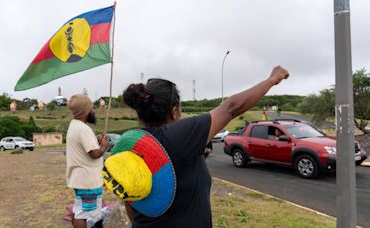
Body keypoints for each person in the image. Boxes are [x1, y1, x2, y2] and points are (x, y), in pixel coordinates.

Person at [118, 66, 289, 227]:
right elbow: (231, 108)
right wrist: (272, 79)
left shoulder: (128, 144)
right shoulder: (177, 137)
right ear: (174, 111)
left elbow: (129, 200)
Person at [66, 94, 109, 228]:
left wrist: (96, 142)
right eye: (92, 108)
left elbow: (86, 148)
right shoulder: (83, 129)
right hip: (88, 181)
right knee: (84, 214)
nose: (93, 111)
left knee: (80, 209)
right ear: (86, 111)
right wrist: (104, 147)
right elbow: (94, 154)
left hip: (81, 179)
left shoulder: (74, 125)